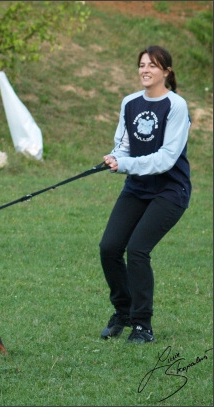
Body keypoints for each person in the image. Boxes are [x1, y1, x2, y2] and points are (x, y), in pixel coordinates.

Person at [99, 45, 191, 344]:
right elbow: (122, 145)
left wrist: (124, 163)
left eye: (152, 65)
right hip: (137, 188)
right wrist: (115, 158)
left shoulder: (176, 106)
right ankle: (123, 313)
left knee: (137, 250)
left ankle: (142, 326)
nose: (145, 70)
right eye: (141, 65)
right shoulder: (130, 103)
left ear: (166, 71)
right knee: (109, 248)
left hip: (169, 190)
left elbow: (166, 158)